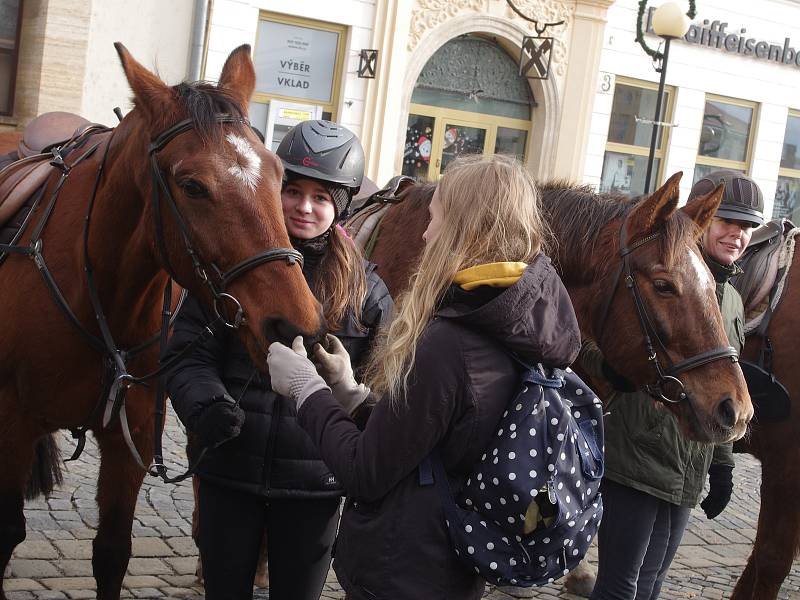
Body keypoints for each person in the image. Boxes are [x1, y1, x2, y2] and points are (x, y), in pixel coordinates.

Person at [266, 154, 582, 600]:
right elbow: (433, 434)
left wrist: (306, 389)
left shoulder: (449, 341)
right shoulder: (515, 318)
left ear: (461, 229)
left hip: (407, 566)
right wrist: (352, 396)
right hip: (449, 563)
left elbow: (365, 471)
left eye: (435, 219)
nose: (425, 233)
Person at [163, 120, 393, 600]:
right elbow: (187, 351)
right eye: (294, 190)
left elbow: (385, 381)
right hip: (230, 471)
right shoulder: (229, 265)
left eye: (322, 197)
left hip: (316, 484)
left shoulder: (365, 289)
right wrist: (205, 404)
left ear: (341, 205)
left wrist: (354, 396)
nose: (305, 207)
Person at [582, 169, 764, 600]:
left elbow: (724, 377)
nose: (737, 236)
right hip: (638, 457)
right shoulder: (656, 273)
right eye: (728, 223)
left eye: (747, 228)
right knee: (621, 586)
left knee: (652, 585)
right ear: (697, 223)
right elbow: (589, 336)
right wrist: (608, 369)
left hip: (688, 461)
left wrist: (721, 463)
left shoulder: (732, 298)